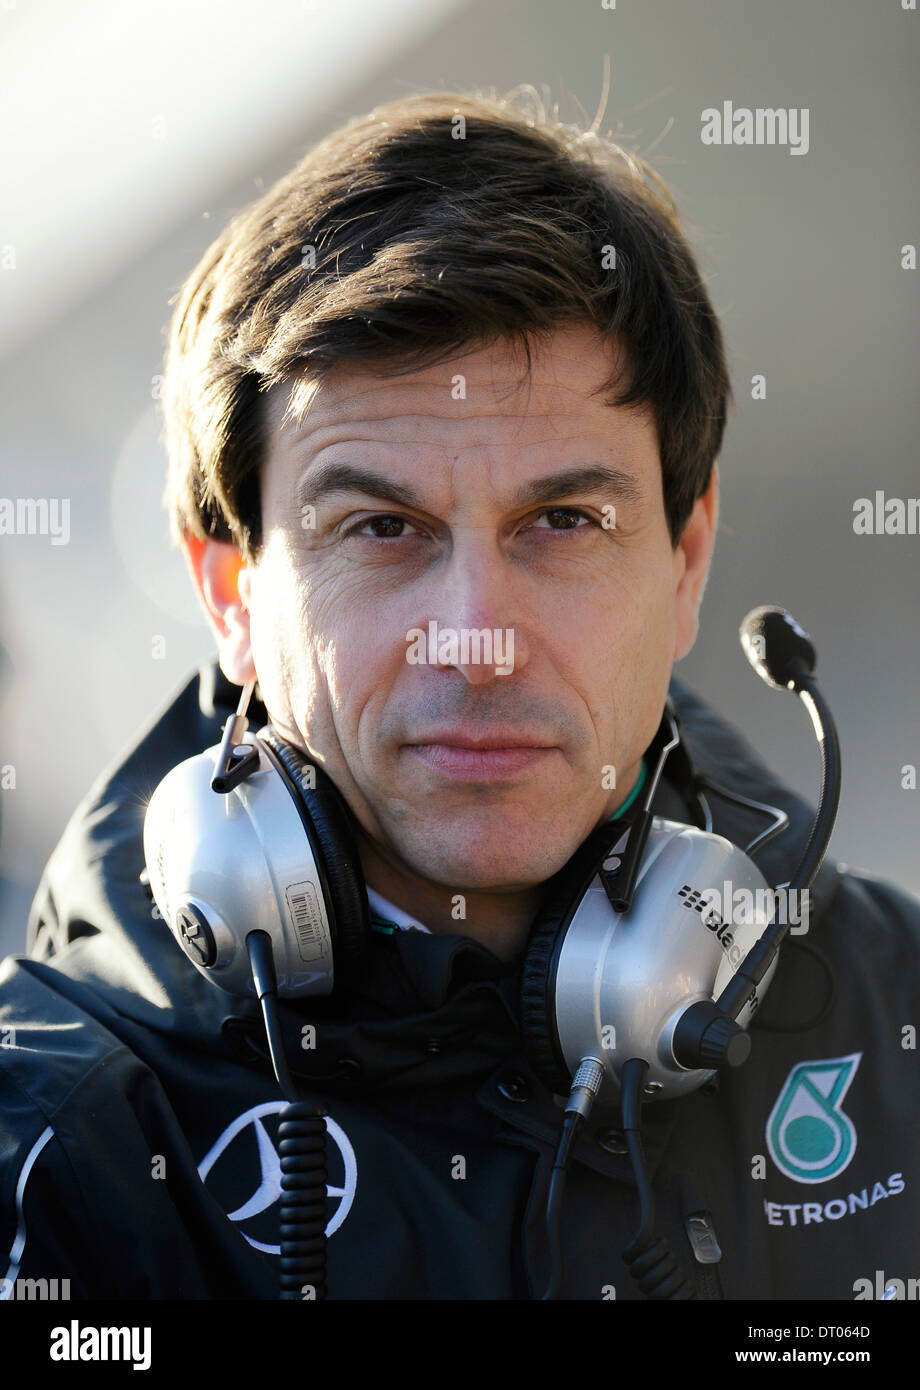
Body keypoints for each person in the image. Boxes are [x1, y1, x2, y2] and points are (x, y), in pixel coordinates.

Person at [1, 89, 918, 1304]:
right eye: (381, 527)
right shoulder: (49, 1153)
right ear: (229, 591)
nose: (476, 638)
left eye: (561, 521)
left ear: (685, 562)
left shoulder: (891, 1010)